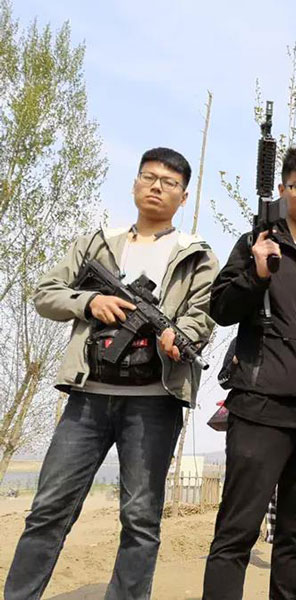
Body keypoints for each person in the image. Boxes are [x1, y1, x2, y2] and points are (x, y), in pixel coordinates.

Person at [5, 147, 219, 600]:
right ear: (135, 183)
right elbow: (45, 293)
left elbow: (203, 315)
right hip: (87, 397)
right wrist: (90, 302)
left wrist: (179, 336)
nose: (157, 187)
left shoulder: (197, 255)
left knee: (140, 518)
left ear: (183, 197)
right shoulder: (98, 243)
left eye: (169, 183)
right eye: (149, 177)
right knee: (48, 509)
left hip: (154, 402)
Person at [202, 144, 296, 600]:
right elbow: (221, 308)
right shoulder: (258, 244)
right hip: (259, 411)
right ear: (284, 189)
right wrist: (257, 273)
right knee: (237, 533)